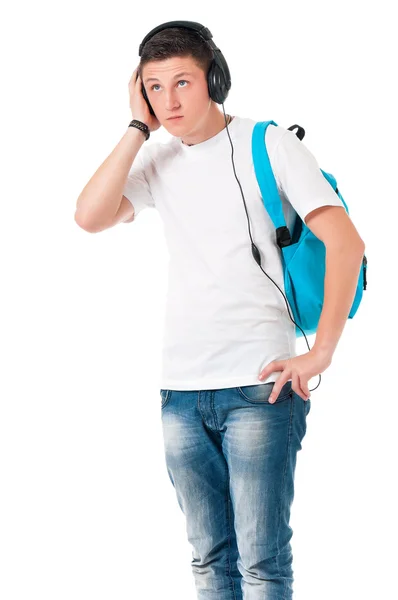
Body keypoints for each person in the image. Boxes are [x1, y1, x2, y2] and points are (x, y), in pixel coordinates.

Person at [75, 24, 365, 600]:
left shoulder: (271, 143)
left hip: (261, 387)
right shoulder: (157, 161)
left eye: (182, 81)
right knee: (210, 561)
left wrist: (321, 351)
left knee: (261, 563)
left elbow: (346, 242)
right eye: (154, 88)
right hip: (180, 389)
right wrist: (137, 127)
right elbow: (89, 215)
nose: (170, 100)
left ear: (215, 78)